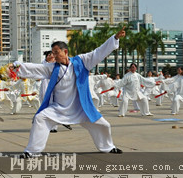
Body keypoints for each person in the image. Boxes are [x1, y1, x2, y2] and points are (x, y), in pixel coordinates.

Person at [9, 27, 126, 157]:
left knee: (103, 124)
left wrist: (114, 38)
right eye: (52, 53)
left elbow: (98, 52)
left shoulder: (82, 61)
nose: (53, 55)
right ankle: (31, 152)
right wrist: (17, 65)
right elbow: (36, 68)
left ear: (65, 52)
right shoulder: (52, 68)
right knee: (40, 118)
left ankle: (108, 147)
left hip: (80, 108)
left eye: (56, 52)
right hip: (58, 108)